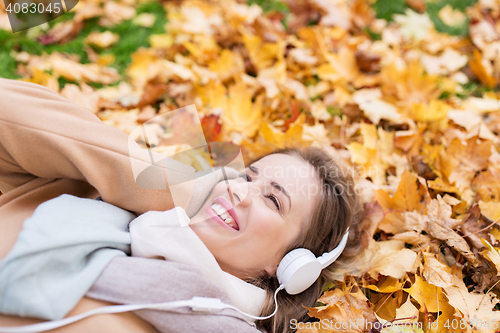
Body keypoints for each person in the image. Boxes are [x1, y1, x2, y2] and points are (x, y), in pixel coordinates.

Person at [0, 78, 362, 333]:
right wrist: (175, 187)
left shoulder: (213, 321)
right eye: (247, 177)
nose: (239, 191)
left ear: (287, 266)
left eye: (272, 199)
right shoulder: (88, 198)